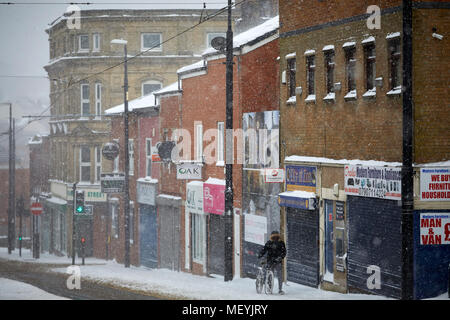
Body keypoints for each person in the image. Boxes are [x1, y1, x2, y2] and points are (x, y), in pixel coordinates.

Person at [258, 231, 286, 295]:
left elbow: (284, 252)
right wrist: (260, 254)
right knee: (270, 274)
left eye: (276, 236)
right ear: (271, 237)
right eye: (274, 237)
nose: (275, 238)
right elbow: (264, 250)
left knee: (279, 275)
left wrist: (279, 258)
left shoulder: (281, 243)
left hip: (277, 261)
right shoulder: (269, 243)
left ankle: (280, 289)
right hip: (270, 261)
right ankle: (270, 287)